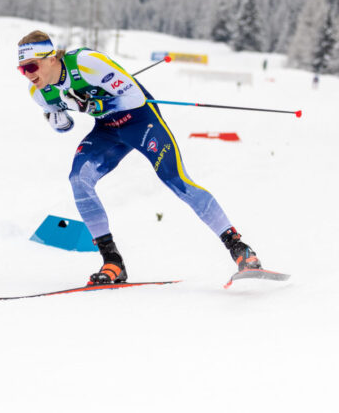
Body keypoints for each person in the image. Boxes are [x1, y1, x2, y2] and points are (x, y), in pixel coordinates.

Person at [16, 31, 264, 285]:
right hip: (107, 131)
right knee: (78, 179)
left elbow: (135, 98)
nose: (28, 74)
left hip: (141, 122)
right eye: (22, 69)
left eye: (31, 66)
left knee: (175, 178)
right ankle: (112, 262)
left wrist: (96, 106)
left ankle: (240, 249)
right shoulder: (39, 93)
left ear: (51, 58)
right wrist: (57, 119)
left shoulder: (86, 63)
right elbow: (62, 125)